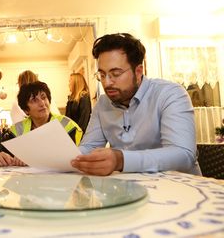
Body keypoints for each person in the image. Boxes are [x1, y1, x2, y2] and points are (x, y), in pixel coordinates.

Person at [71, 33, 202, 176]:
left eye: (115, 74)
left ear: (138, 71)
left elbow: (182, 155)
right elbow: (89, 147)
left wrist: (121, 160)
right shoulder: (102, 104)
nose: (107, 83)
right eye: (102, 75)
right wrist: (62, 159)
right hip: (131, 190)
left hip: (182, 189)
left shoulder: (169, 94)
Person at [0, 81, 83, 167]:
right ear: (26, 110)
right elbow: (5, 156)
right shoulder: (16, 130)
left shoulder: (68, 125)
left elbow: (74, 159)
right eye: (34, 100)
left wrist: (31, 159)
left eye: (44, 97)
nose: (42, 103)